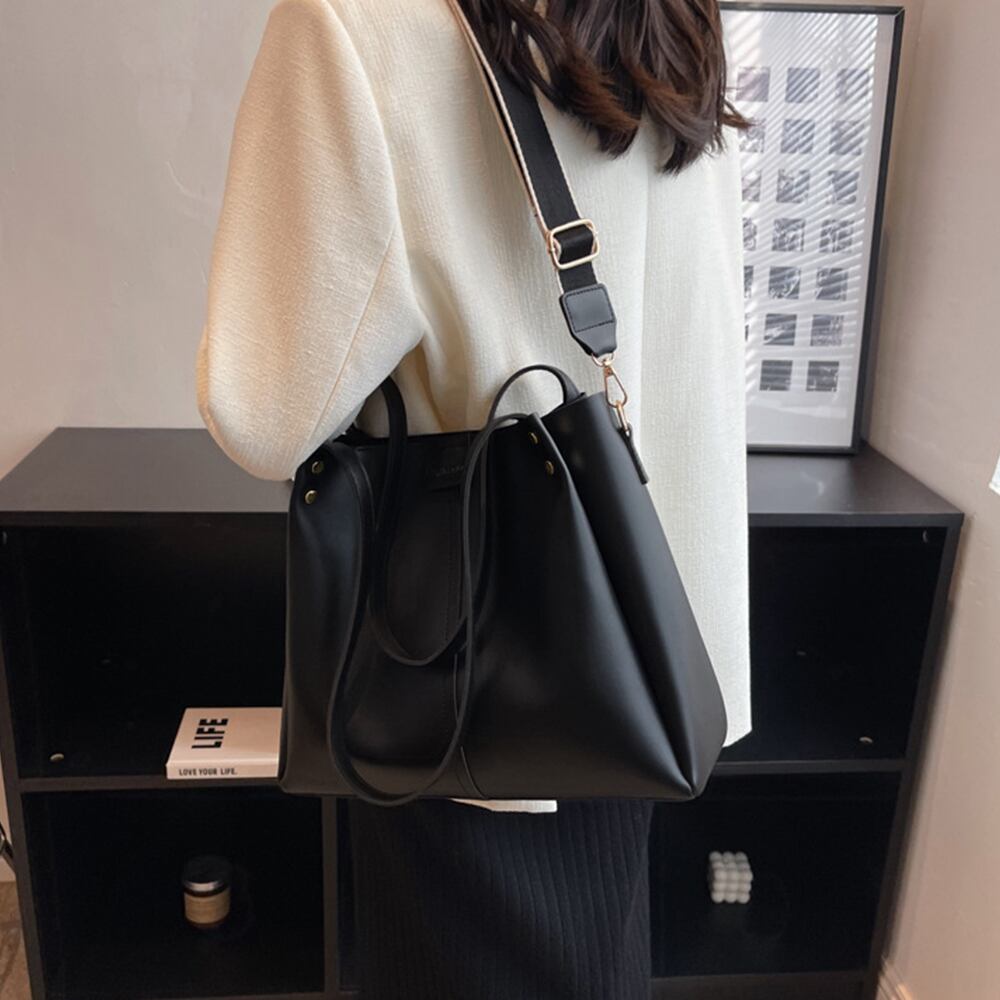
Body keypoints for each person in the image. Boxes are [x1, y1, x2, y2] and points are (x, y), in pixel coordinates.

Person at [196, 0, 753, 995]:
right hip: (656, 643)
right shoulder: (673, 18)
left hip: (479, 663)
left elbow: (263, 414)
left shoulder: (351, 25)